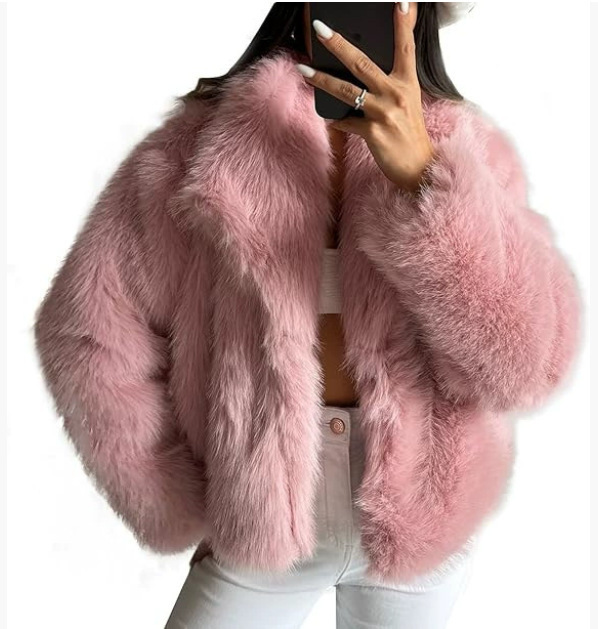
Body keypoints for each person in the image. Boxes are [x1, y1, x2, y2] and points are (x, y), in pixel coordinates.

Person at [33, 3, 582, 628]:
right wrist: (173, 497)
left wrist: (426, 180)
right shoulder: (201, 148)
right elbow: (85, 331)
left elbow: (528, 366)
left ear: (420, 13)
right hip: (261, 513)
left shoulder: (469, 152)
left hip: (421, 519)